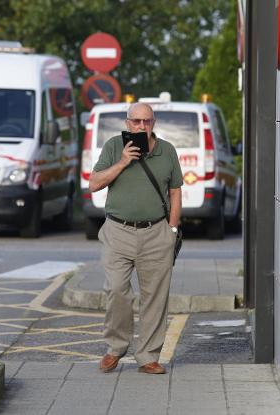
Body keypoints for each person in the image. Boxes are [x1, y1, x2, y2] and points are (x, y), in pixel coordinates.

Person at [89, 102, 183, 375]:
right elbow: (94, 183)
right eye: (136, 122)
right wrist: (123, 162)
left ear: (154, 122)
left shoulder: (167, 151)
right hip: (118, 230)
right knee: (116, 289)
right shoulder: (113, 147)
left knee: (155, 296)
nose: (142, 126)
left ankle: (148, 356)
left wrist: (172, 229)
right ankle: (116, 348)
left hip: (156, 232)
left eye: (147, 121)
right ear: (127, 123)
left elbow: (175, 191)